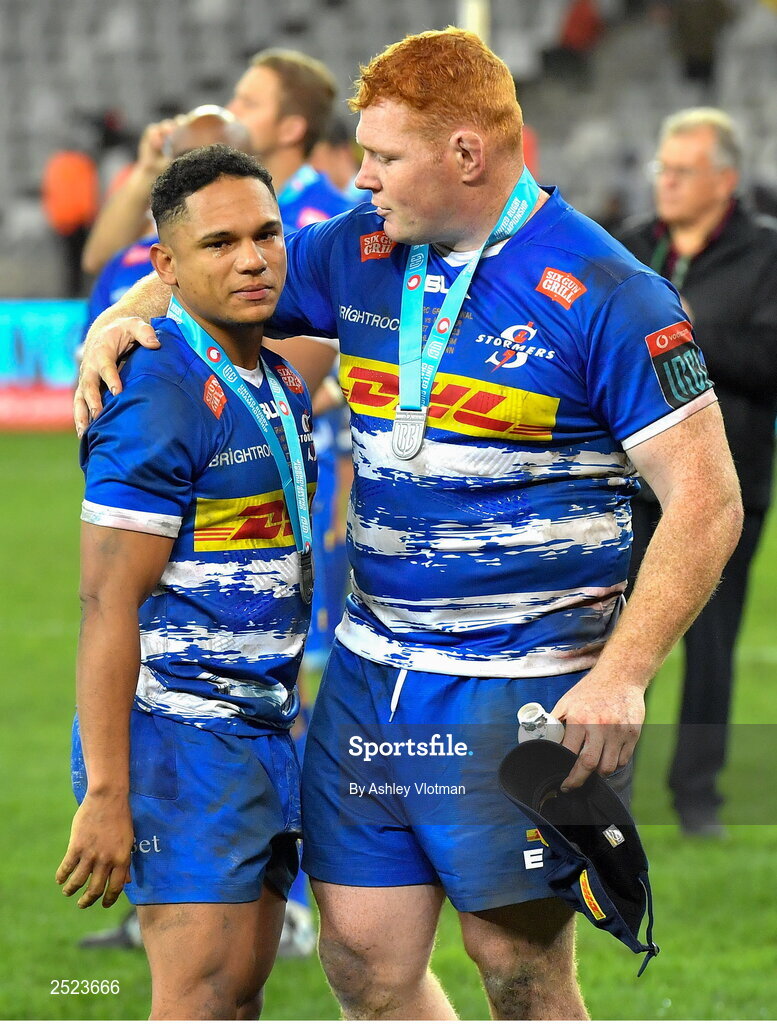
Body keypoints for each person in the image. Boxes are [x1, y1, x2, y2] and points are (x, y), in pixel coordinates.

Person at [74, 28, 742, 1021]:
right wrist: (120, 314)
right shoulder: (360, 249)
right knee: (362, 959)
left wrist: (625, 671)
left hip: (521, 685)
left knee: (516, 968)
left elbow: (708, 500)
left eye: (383, 158)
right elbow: (207, 277)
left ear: (465, 156)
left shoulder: (612, 295)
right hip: (369, 674)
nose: (363, 178)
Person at [57, 145, 317, 1020]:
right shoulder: (156, 390)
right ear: (163, 265)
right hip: (178, 736)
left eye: (266, 235)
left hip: (263, 727)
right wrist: (106, 791)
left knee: (238, 998)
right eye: (218, 244)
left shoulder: (275, 376)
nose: (251, 258)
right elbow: (105, 601)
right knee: (197, 1002)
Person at [618, 108, 777, 838]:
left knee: (710, 642)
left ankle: (696, 798)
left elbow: (767, 361)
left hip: (725, 480)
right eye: (661, 168)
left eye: (682, 170)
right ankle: (604, 782)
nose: (666, 182)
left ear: (725, 179)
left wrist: (680, 331)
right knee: (613, 631)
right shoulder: (629, 246)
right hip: (627, 479)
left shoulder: (765, 254)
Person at [82, 48, 352, 276]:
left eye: (248, 103)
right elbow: (102, 264)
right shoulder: (204, 197)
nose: (230, 110)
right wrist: (146, 173)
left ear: (290, 129)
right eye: (235, 98)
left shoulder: (334, 223)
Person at [83, 107, 252, 326]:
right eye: (185, 158)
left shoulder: (272, 253)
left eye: (219, 158)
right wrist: (147, 169)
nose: (199, 172)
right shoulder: (128, 262)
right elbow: (95, 260)